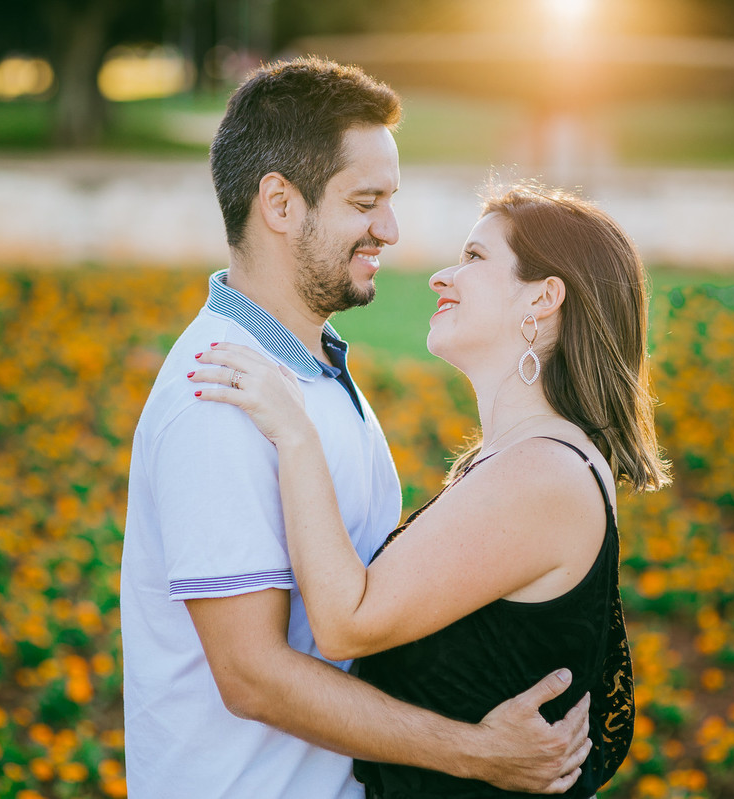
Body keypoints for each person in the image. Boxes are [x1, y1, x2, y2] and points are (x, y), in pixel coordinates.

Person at [120, 58, 593, 798]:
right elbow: (252, 675)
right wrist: (472, 751)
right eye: (366, 201)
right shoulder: (221, 392)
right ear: (280, 203)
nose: (392, 229)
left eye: (390, 200)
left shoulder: (312, 371)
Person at [191, 182, 672, 798]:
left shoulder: (543, 474)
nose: (440, 277)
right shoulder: (519, 461)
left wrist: (296, 435)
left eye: (474, 258)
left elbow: (346, 622)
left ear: (544, 298)